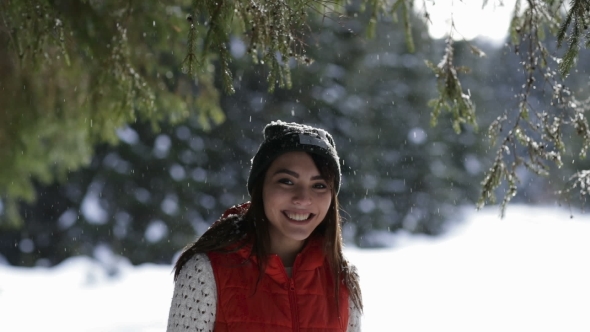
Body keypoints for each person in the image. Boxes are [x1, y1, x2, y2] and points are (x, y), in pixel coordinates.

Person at [166, 120, 363, 332]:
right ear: (260, 187)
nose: (303, 198)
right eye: (287, 181)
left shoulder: (342, 278)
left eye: (319, 185)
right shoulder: (204, 271)